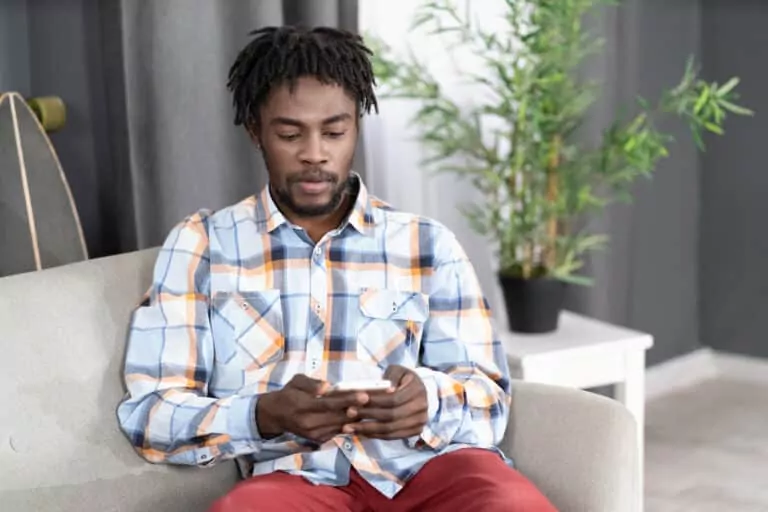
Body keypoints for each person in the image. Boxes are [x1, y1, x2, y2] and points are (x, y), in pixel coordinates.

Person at [117, 25, 557, 512]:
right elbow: (150, 415)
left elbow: (489, 399)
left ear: (357, 126)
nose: (314, 153)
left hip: (435, 470)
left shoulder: (427, 244)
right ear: (255, 131)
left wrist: (427, 400)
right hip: (298, 481)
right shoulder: (202, 246)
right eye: (289, 134)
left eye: (334, 131)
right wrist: (262, 414)